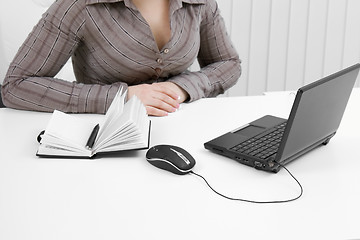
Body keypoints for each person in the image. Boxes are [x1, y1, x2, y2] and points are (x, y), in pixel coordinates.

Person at [1, 0, 241, 117]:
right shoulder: (79, 6)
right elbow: (16, 87)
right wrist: (122, 97)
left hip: (180, 133)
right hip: (103, 141)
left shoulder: (201, 3)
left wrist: (182, 88)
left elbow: (229, 64)